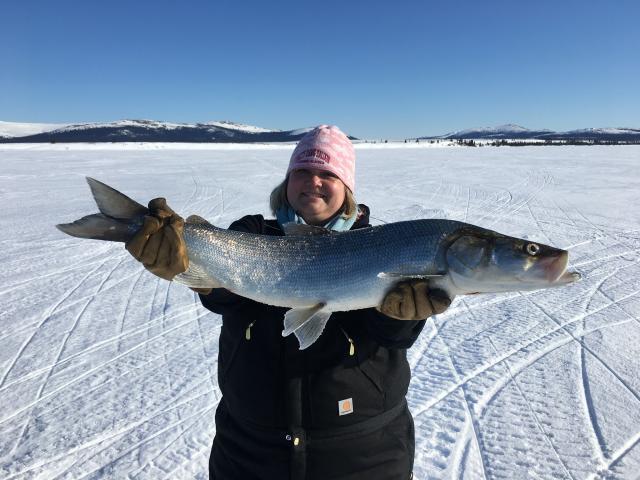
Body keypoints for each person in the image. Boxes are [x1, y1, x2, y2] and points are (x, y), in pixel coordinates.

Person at [125, 125, 452, 480]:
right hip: (249, 453)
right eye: (302, 171)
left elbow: (390, 338)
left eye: (328, 174)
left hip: (363, 454)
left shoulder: (380, 245)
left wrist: (401, 316)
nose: (313, 181)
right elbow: (226, 299)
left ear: (347, 187)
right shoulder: (252, 234)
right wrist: (187, 263)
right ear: (287, 181)